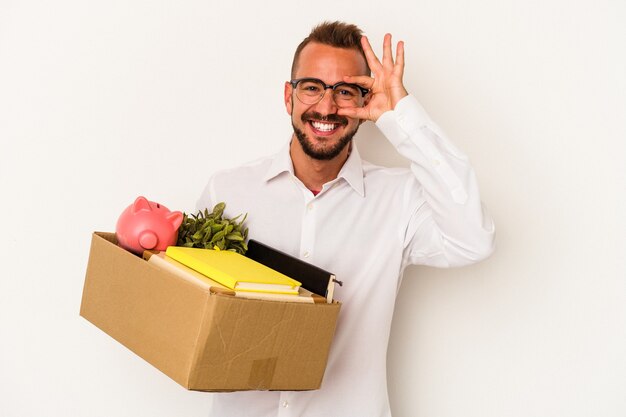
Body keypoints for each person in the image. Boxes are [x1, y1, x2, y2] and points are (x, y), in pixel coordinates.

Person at [197, 21, 495, 417]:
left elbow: (473, 239)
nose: (326, 106)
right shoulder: (228, 192)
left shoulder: (398, 199)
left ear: (365, 100)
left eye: (345, 91)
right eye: (312, 87)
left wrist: (400, 115)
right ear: (289, 96)